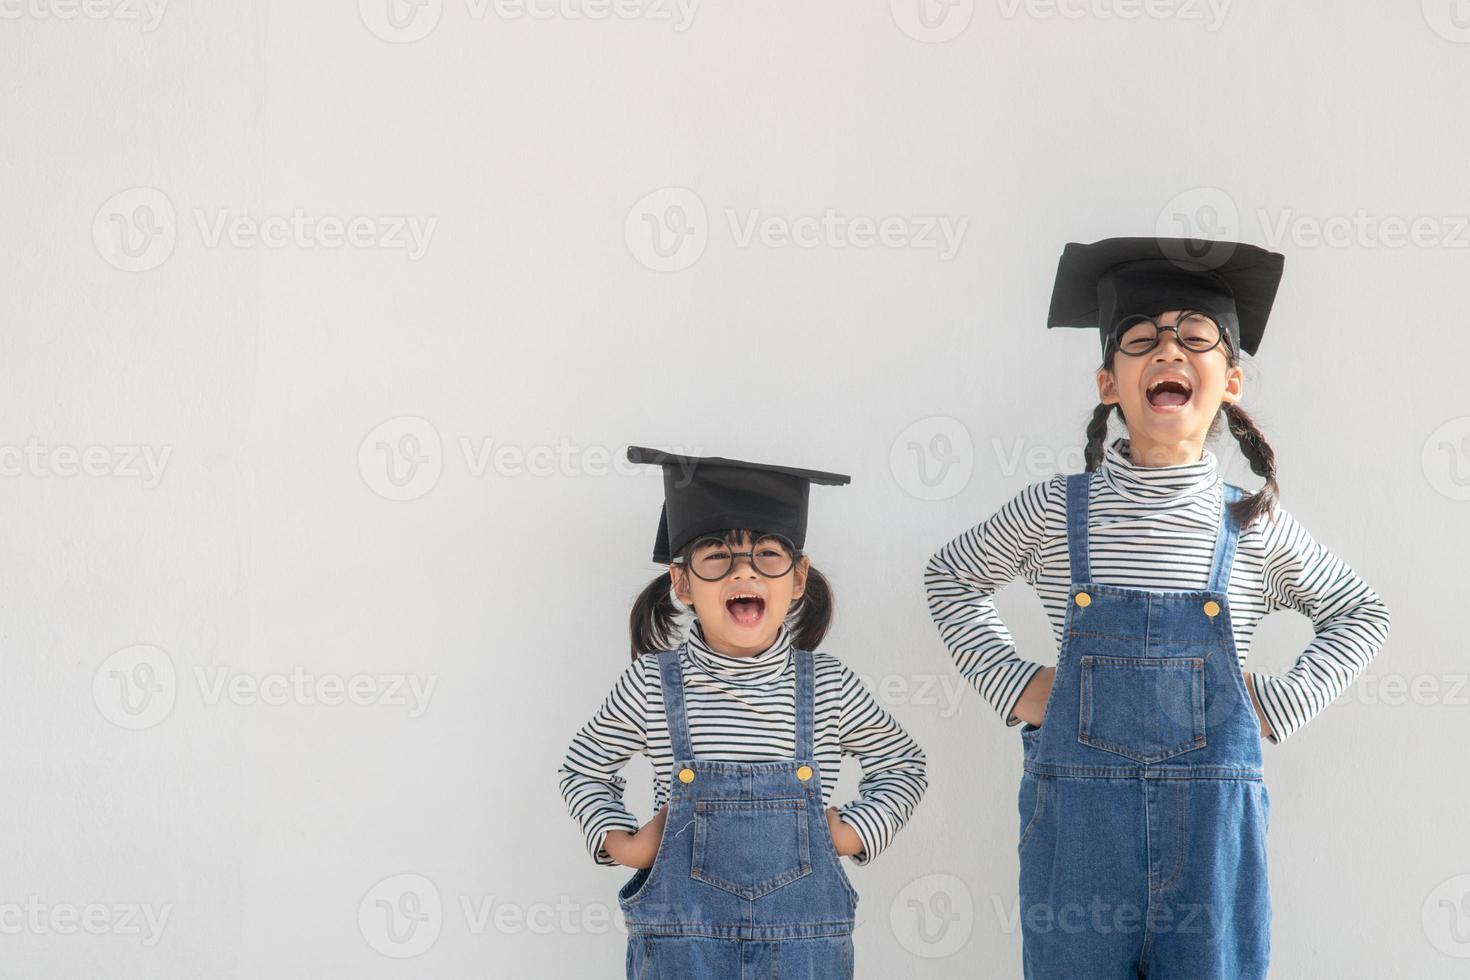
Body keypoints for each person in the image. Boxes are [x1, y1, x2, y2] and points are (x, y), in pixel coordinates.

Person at [924, 237, 1391, 978]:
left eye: (1196, 336)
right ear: (1110, 381)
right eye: (1141, 339)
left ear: (1230, 380)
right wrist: (1015, 685)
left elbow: (1360, 611)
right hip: (1077, 834)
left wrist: (1274, 706)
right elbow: (951, 577)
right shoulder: (1056, 510)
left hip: (1212, 842)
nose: (1168, 349)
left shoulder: (1251, 523)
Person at [561, 445, 928, 979]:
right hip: (682, 952)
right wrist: (624, 843)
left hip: (807, 953)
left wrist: (850, 832)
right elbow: (583, 768)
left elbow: (903, 766)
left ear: (798, 577)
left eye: (767, 556)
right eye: (716, 557)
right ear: (682, 583)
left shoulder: (829, 685)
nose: (744, 574)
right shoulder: (651, 685)